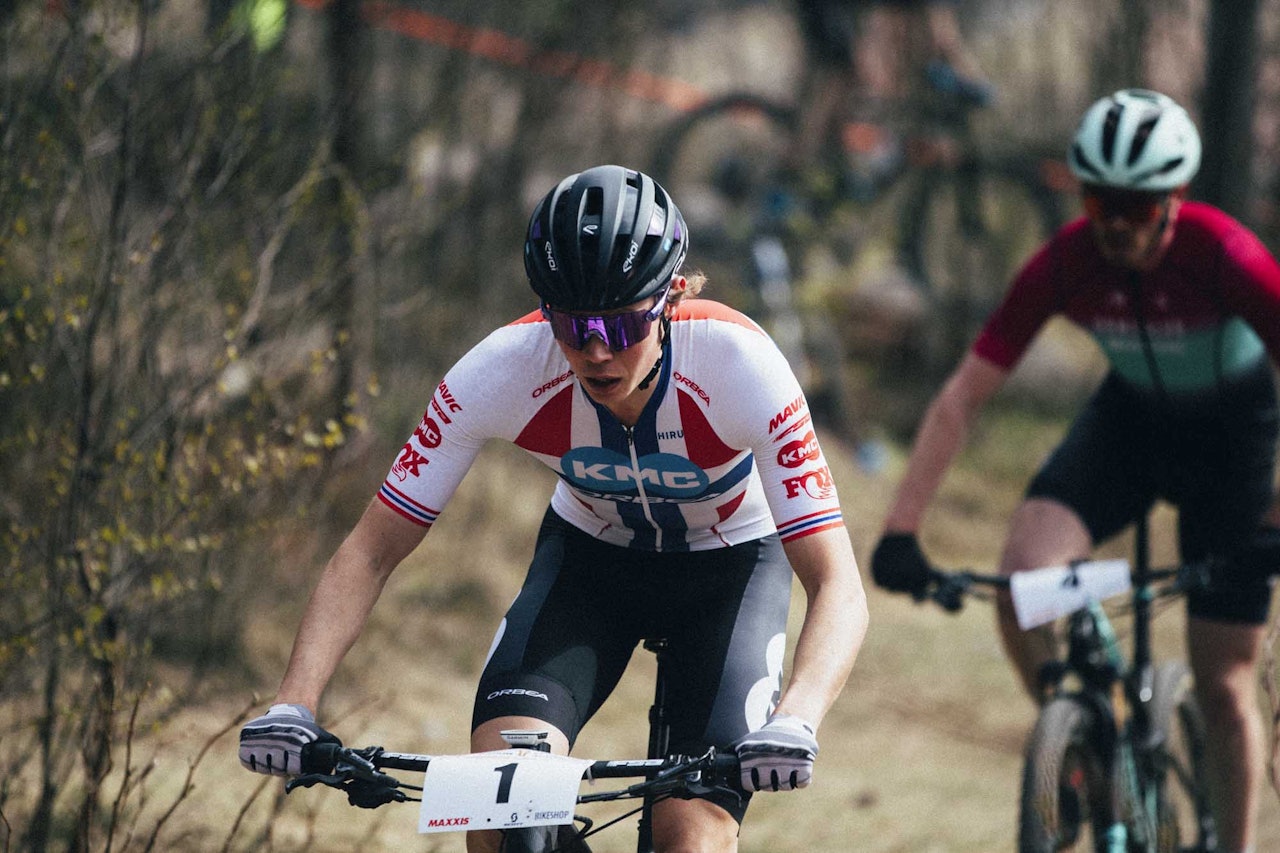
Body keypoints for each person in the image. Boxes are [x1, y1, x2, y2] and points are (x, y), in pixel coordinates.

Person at [238, 165, 869, 852]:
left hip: (731, 568)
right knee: (500, 815)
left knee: (690, 834)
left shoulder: (739, 364)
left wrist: (796, 718)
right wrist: (294, 702)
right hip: (590, 567)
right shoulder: (501, 369)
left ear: (671, 298)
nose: (596, 351)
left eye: (620, 324)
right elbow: (370, 550)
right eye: (572, 325)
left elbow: (837, 582)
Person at [870, 88, 1280, 853]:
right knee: (1021, 586)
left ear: (1174, 197)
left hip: (1234, 437)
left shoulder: (1224, 255)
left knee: (1223, 680)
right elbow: (961, 398)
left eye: (1136, 205)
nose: (1116, 224)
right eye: (1099, 203)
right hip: (1130, 422)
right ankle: (1076, 739)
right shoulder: (1066, 263)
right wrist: (901, 528)